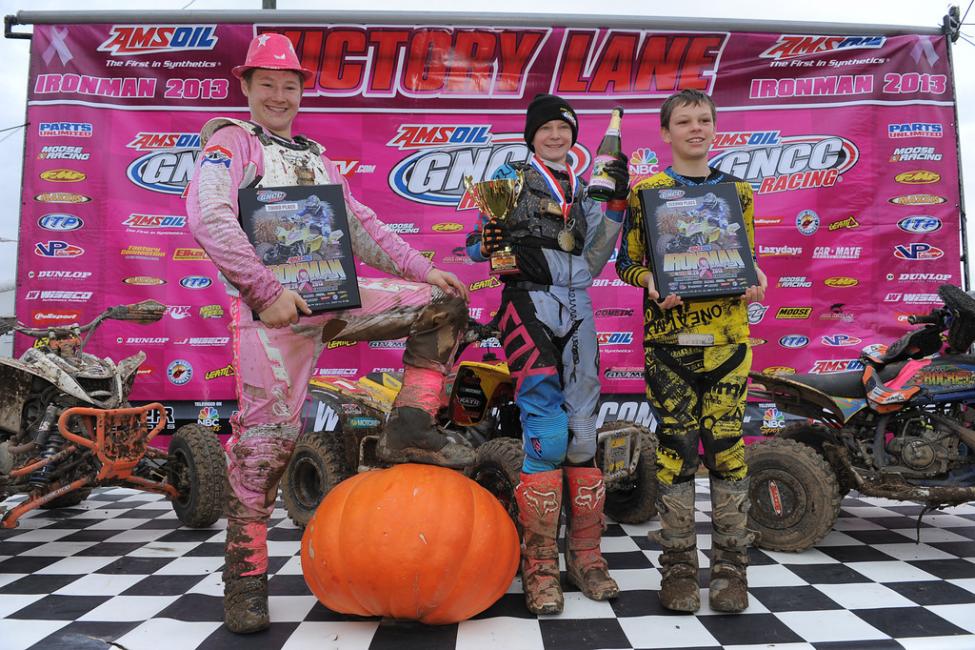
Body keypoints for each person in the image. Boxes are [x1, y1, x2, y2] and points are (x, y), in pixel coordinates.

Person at [186, 33, 471, 634]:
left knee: (442, 305)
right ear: (246, 87)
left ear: (300, 92)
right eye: (268, 84)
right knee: (267, 448)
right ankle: (245, 578)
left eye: (290, 86)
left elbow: (360, 227)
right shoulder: (230, 143)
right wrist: (264, 292)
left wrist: (423, 269)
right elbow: (208, 215)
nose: (280, 95)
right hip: (273, 316)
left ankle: (410, 427)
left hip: (332, 301)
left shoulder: (315, 153)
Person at [466, 94, 629, 615]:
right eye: (547, 129)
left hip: (578, 305)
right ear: (531, 134)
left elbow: (595, 256)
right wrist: (486, 240)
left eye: (565, 128)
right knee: (548, 432)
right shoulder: (508, 173)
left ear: (575, 136)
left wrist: (617, 209)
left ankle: (586, 557)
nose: (556, 136)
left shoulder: (585, 186)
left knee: (583, 436)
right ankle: (538, 567)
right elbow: (476, 246)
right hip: (526, 302)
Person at [615, 89, 768, 614]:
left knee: (728, 452)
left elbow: (747, 258)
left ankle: (731, 569)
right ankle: (677, 568)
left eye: (704, 119)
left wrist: (756, 279)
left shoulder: (738, 193)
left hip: (728, 345)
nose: (696, 128)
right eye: (685, 121)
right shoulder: (646, 194)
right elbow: (625, 265)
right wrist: (652, 282)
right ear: (666, 133)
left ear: (714, 127)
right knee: (675, 453)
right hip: (668, 347)